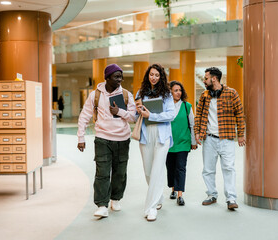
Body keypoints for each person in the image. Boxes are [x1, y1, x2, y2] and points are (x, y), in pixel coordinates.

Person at [77, 64, 136, 218]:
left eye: (121, 76)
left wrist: (120, 112)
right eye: (116, 76)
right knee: (102, 173)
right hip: (102, 139)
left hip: (123, 139)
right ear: (107, 77)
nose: (120, 79)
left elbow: (133, 117)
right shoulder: (95, 95)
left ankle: (115, 199)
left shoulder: (126, 94)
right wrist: (81, 137)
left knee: (120, 172)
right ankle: (102, 205)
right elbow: (84, 115)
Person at [194, 67, 246, 210]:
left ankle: (231, 199)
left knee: (229, 168)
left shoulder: (231, 93)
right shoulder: (204, 95)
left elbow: (239, 115)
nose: (204, 81)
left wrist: (241, 134)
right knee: (208, 169)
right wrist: (197, 132)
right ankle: (211, 195)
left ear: (214, 79)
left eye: (206, 78)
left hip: (227, 138)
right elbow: (198, 115)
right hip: (209, 139)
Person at [135, 63, 174, 222]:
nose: (154, 77)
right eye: (151, 74)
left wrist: (151, 115)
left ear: (161, 77)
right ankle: (158, 198)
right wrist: (139, 112)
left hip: (162, 135)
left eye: (157, 75)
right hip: (145, 134)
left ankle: (150, 208)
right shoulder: (140, 92)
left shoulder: (167, 94)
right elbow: (135, 113)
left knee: (157, 169)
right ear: (147, 75)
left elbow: (171, 115)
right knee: (149, 171)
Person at [166, 81, 197, 206]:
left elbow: (192, 125)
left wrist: (193, 142)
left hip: (183, 142)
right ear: (170, 92)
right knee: (170, 167)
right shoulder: (166, 106)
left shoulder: (186, 106)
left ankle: (180, 195)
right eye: (175, 90)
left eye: (180, 90)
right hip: (168, 143)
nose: (178, 92)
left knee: (181, 167)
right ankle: (173, 188)